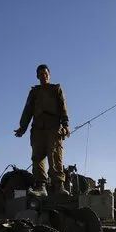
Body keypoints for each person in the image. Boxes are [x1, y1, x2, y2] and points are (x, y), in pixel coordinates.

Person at [14, 64, 71, 197]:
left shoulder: (56, 89)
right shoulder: (34, 92)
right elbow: (27, 111)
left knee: (55, 154)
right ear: (37, 76)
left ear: (49, 75)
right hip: (38, 127)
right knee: (37, 156)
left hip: (54, 126)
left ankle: (59, 186)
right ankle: (41, 186)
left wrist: (65, 124)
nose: (43, 76)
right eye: (40, 74)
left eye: (45, 74)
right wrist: (22, 128)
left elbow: (63, 107)